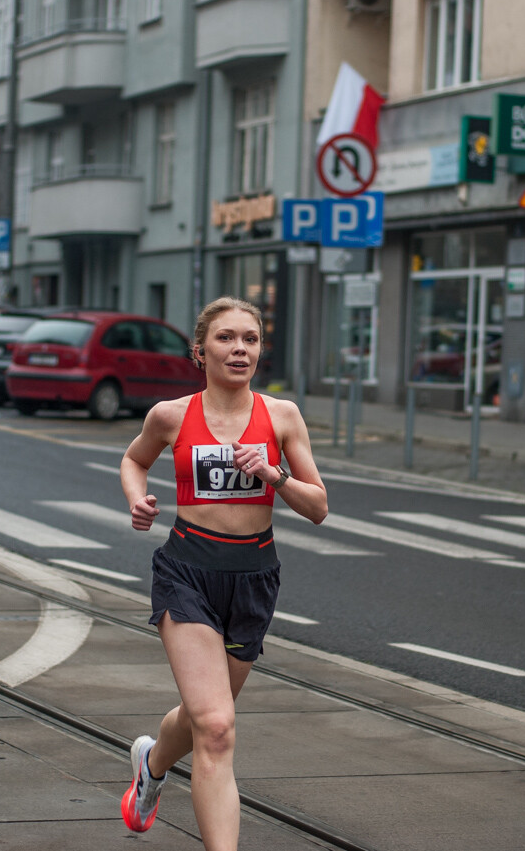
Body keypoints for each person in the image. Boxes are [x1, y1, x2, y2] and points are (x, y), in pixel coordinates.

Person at [118, 297, 328, 850]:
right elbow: (135, 459)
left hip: (253, 578)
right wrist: (138, 500)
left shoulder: (281, 417)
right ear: (200, 351)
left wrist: (275, 473)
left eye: (251, 339)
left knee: (202, 714)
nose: (240, 349)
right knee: (215, 728)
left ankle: (152, 764)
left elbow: (318, 506)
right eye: (227, 338)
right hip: (188, 570)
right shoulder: (171, 415)